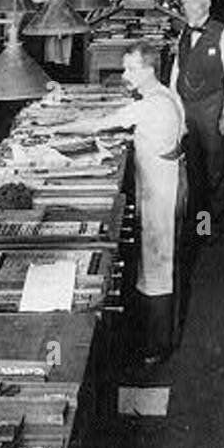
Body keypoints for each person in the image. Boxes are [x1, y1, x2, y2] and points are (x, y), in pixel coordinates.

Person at [55, 41, 186, 364]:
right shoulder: (166, 94)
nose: (125, 74)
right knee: (158, 263)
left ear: (149, 69)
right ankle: (154, 335)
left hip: (161, 191)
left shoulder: (152, 103)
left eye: (131, 69)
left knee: (157, 265)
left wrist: (55, 128)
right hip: (167, 182)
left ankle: (157, 346)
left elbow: (100, 124)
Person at [171, 0, 224, 241]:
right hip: (187, 108)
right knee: (192, 168)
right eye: (184, 3)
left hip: (212, 109)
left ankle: (216, 223)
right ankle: (195, 221)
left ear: (204, 5)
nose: (183, 7)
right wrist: (175, 106)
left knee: (215, 170)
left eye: (188, 3)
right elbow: (176, 71)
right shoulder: (184, 31)